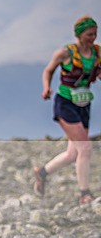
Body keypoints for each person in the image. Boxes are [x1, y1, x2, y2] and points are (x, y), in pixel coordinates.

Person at [37, 16, 99, 205]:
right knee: (85, 148)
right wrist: (46, 88)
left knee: (73, 154)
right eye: (89, 34)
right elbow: (48, 70)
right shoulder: (65, 53)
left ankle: (42, 173)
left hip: (83, 105)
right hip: (65, 104)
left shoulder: (97, 53)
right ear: (79, 35)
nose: (93, 37)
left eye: (95, 34)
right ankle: (84, 194)